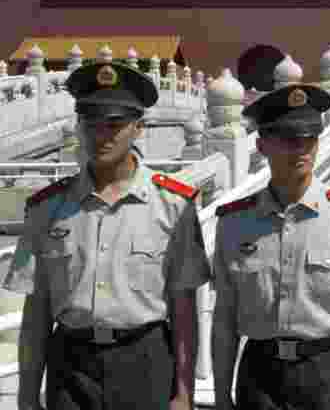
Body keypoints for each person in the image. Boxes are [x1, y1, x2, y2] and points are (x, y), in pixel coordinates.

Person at [3, 62, 211, 410]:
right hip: (71, 363)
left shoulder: (173, 205)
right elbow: (36, 311)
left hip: (144, 360)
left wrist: (184, 389)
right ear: (79, 126)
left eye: (114, 125)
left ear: (138, 128)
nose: (102, 135)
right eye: (91, 124)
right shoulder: (47, 207)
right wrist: (27, 395)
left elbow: (183, 306)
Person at [211, 83, 330, 410]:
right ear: (261, 145)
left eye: (310, 139)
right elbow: (225, 315)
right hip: (259, 377)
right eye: (290, 139)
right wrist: (222, 394)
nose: (302, 149)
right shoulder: (233, 223)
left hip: (325, 373)